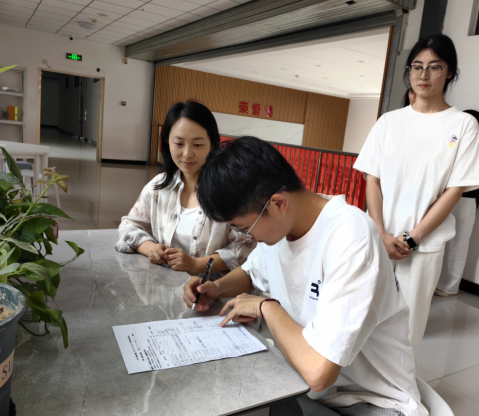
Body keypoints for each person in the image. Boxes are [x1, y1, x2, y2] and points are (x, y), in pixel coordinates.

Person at [184, 137, 428, 416]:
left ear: (277, 203)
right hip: (307, 390)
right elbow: (252, 272)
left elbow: (318, 372)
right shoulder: (282, 229)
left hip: (371, 400)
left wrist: (265, 307)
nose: (246, 236)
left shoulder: (349, 236)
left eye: (243, 227)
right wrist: (216, 287)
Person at [354, 34, 479, 357]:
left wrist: (413, 238)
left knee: (409, 328)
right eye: (417, 66)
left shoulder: (463, 125)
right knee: (362, 315)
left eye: (434, 67)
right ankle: (357, 379)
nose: (423, 75)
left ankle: (400, 384)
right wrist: (381, 232)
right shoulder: (389, 122)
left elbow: (454, 191)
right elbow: (372, 180)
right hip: (379, 240)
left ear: (450, 72)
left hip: (425, 245)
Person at [116, 101, 256, 278]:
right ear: (167, 142)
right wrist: (151, 249)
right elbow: (128, 227)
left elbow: (248, 246)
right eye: (179, 143)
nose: (187, 154)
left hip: (213, 290)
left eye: (197, 145)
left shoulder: (230, 192)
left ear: (212, 145)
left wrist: (196, 265)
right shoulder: (157, 188)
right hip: (163, 289)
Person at [435, 110, 479, 296]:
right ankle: (436, 281)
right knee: (440, 239)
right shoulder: (452, 142)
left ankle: (450, 286)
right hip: (444, 197)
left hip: (465, 200)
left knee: (458, 243)